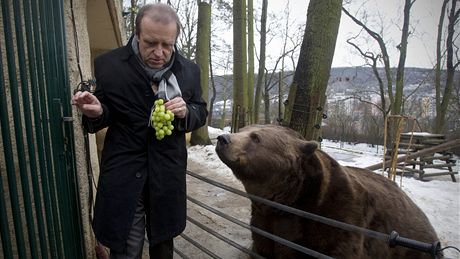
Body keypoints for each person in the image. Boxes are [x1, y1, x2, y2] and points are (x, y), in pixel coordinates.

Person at [72, 3, 208, 258]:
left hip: (166, 173)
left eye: (167, 45)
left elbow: (200, 111)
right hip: (124, 173)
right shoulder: (109, 65)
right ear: (136, 35)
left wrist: (187, 112)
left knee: (163, 245)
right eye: (150, 43)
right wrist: (98, 111)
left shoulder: (189, 71)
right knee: (126, 247)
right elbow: (105, 111)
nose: (159, 52)